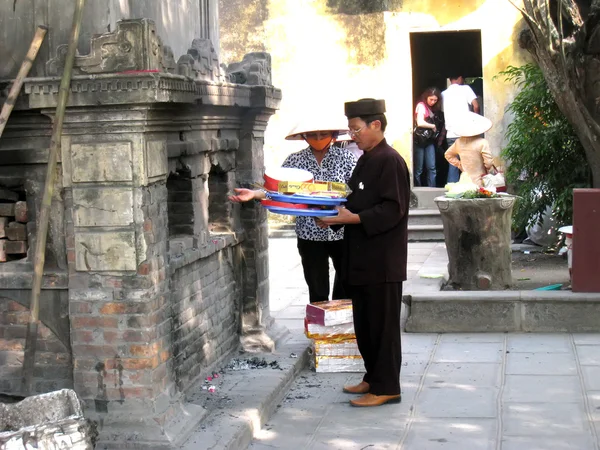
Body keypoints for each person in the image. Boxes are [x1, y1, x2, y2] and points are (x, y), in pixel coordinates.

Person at [317, 98, 410, 408]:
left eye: (356, 129)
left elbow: (392, 209)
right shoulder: (366, 158)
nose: (352, 135)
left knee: (383, 327)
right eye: (350, 129)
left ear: (376, 125)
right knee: (366, 324)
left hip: (382, 261)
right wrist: (333, 214)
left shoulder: (390, 160)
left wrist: (351, 218)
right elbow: (356, 203)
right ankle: (372, 376)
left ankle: (387, 388)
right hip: (361, 257)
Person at [229, 117, 356, 304]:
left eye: (323, 134)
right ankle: (320, 330)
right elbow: (277, 189)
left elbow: (356, 193)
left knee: (347, 284)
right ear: (304, 136)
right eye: (313, 134)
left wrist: (339, 215)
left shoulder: (346, 158)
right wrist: (255, 194)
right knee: (317, 289)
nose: (318, 138)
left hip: (342, 230)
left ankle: (342, 330)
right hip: (308, 232)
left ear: (333, 135)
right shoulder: (295, 160)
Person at [441, 74, 480, 183]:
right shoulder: (466, 89)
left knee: (453, 162)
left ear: (449, 79)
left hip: (451, 134)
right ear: (459, 78)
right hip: (465, 132)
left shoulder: (443, 94)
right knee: (468, 161)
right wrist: (476, 120)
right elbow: (476, 105)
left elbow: (442, 111)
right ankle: (469, 186)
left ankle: (451, 187)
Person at [444, 111, 494, 187]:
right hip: (479, 180)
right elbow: (488, 163)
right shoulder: (483, 142)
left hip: (464, 180)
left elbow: (448, 155)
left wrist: (460, 165)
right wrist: (487, 168)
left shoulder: (458, 142)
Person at [413, 87, 441, 187]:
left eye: (435, 100)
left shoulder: (433, 108)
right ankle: (418, 189)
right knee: (419, 169)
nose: (433, 102)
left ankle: (432, 188)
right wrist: (432, 126)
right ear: (426, 97)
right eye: (431, 99)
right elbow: (419, 122)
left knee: (432, 167)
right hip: (420, 140)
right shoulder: (421, 106)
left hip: (429, 140)